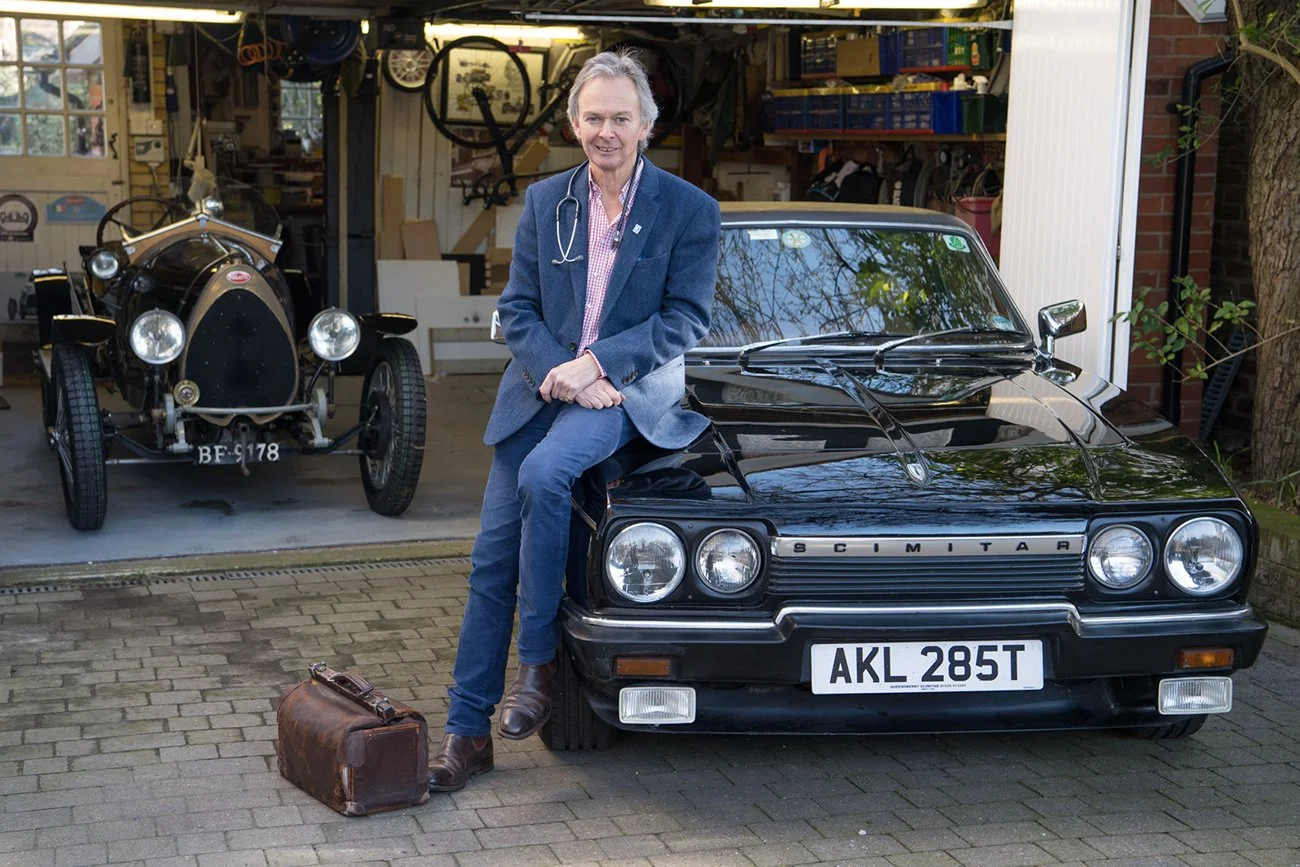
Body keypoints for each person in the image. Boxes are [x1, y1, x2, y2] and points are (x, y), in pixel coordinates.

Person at [427, 50, 722, 792]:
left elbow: (685, 319)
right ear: (573, 122)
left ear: (648, 124)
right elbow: (516, 309)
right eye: (593, 118)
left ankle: (538, 666)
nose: (606, 132)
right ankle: (467, 733)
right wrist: (562, 369)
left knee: (547, 471)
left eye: (621, 118)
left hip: (625, 396)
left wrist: (598, 367)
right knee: (490, 563)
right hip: (542, 386)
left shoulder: (689, 210)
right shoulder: (545, 202)